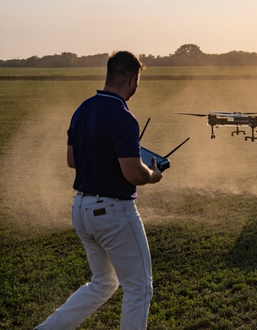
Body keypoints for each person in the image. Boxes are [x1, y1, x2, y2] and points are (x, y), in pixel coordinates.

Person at [36, 51, 163, 330]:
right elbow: (133, 173)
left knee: (104, 282)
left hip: (81, 209)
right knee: (139, 289)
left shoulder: (83, 109)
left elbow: (72, 160)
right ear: (132, 80)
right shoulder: (123, 116)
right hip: (113, 213)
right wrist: (153, 174)